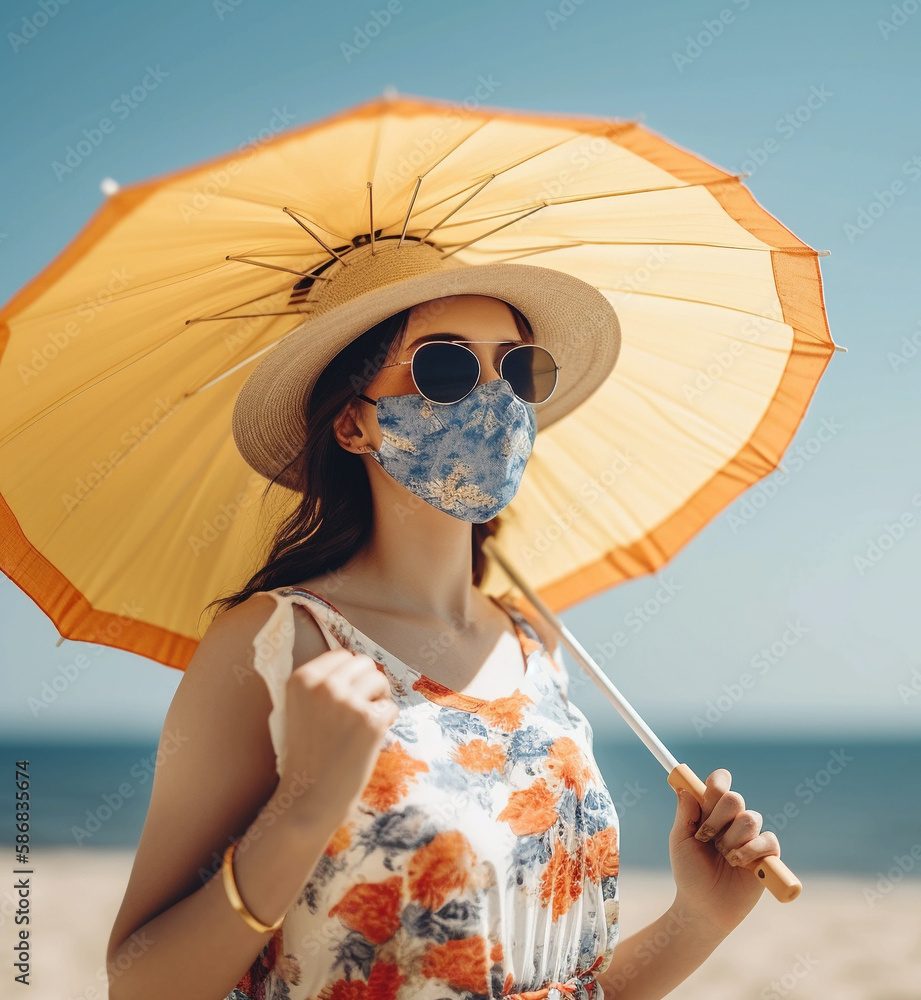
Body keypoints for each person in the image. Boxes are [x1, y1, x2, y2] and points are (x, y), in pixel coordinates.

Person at [105, 240, 782, 1000]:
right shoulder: (277, 643)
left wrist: (699, 919)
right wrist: (304, 809)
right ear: (352, 425)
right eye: (446, 367)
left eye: (519, 368)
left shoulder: (539, 645)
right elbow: (141, 984)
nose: (495, 396)